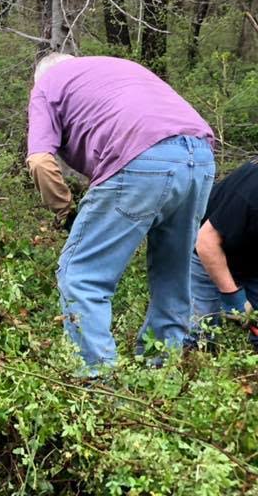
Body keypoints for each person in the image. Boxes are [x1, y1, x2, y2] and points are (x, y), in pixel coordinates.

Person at [27, 53, 214, 372]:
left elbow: (40, 163)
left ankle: (97, 381)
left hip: (140, 158)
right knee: (173, 272)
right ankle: (163, 367)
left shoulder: (47, 84)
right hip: (200, 158)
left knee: (81, 276)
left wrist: (65, 211)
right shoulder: (117, 69)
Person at [188, 159, 258, 350]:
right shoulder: (252, 193)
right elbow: (206, 242)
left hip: (251, 256)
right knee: (200, 334)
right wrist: (233, 297)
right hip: (207, 252)